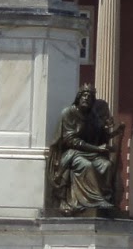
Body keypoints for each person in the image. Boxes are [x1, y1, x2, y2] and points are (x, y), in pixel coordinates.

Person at [47, 84, 123, 214]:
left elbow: (99, 137)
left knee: (107, 165)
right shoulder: (69, 113)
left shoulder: (92, 116)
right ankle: (96, 200)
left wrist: (114, 132)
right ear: (78, 97)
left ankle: (105, 199)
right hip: (73, 153)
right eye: (84, 95)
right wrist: (98, 149)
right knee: (87, 166)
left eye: (90, 97)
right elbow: (71, 140)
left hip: (91, 152)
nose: (86, 98)